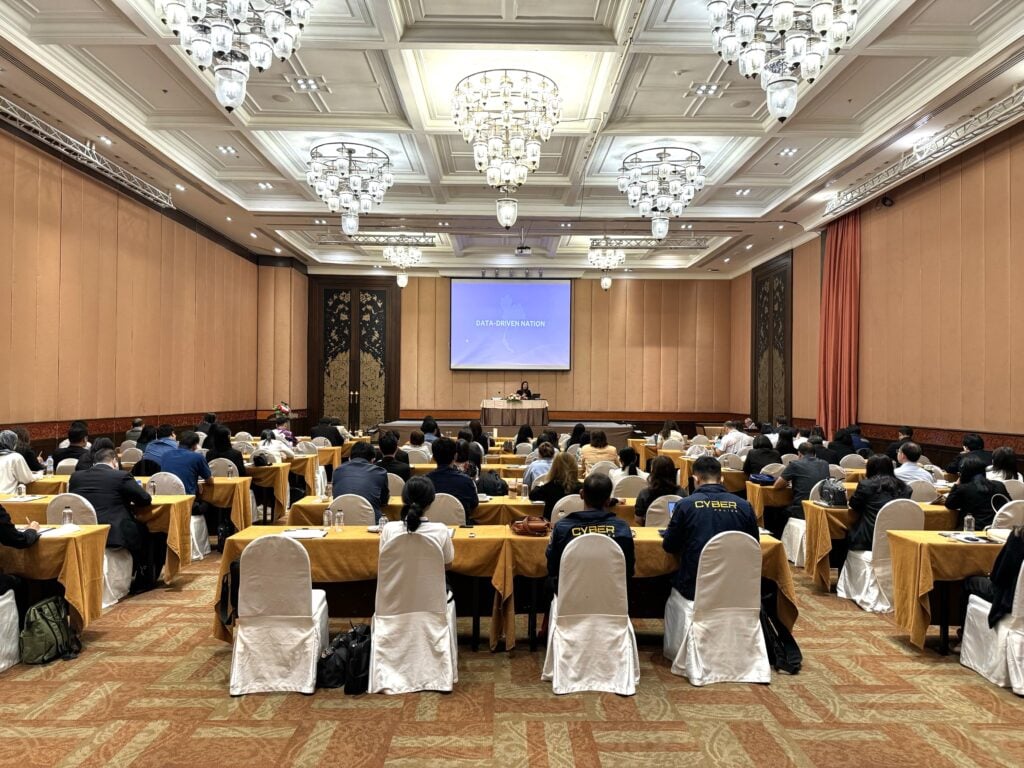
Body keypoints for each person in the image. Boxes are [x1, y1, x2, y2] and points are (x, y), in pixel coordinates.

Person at [661, 455, 759, 601]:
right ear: (722, 479)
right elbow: (753, 546)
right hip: (735, 585)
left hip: (694, 587)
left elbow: (669, 546)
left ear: (696, 479)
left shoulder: (685, 505)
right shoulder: (744, 506)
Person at [70, 447, 159, 591]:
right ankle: (144, 579)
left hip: (84, 529)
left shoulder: (76, 477)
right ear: (114, 461)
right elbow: (144, 499)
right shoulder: (120, 476)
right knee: (149, 531)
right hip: (113, 532)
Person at [546, 473, 634, 593]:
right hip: (612, 597)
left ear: (581, 494)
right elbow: (629, 570)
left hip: (570, 596)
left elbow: (552, 568)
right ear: (608, 500)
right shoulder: (622, 528)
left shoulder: (562, 528)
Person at [961, 526, 1024, 633]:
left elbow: (999, 577)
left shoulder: (1018, 535)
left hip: (1008, 599)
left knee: (970, 582)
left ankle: (962, 635)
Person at [380, 477, 454, 567]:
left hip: (395, 577)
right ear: (430, 502)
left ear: (403, 499)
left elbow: (384, 561)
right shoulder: (441, 530)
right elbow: (447, 565)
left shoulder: (388, 529)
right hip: (430, 576)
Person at [847, 454, 912, 551]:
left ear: (869, 468)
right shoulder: (905, 488)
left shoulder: (866, 485)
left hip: (868, 539)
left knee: (843, 533)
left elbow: (854, 505)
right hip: (897, 539)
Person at [770, 441, 830, 537]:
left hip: (801, 509)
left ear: (799, 454)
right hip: (820, 508)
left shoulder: (795, 464)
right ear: (814, 454)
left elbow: (777, 485)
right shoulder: (825, 464)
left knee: (775, 512)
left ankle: (780, 541)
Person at [945, 454, 1008, 529]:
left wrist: (956, 484)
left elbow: (949, 504)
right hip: (997, 529)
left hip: (971, 530)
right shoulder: (1000, 485)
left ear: (964, 473)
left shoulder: (964, 488)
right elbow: (1008, 505)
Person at [332, 441, 389, 520]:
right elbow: (384, 501)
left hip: (339, 520)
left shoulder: (337, 471)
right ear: (372, 460)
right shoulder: (380, 472)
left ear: (350, 458)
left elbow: (335, 496)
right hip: (371, 523)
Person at [426, 437, 479, 521]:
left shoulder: (424, 482)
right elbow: (474, 504)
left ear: (433, 458)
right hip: (461, 526)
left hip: (431, 526)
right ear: (455, 456)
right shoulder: (466, 481)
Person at [529, 451, 582, 520]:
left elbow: (532, 495)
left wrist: (540, 485)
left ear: (554, 468)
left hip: (552, 524)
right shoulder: (582, 488)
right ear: (575, 467)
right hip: (577, 524)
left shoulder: (549, 487)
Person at [159, 431, 212, 497]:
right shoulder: (198, 457)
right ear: (195, 445)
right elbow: (210, 481)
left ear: (178, 442)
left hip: (166, 496)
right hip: (187, 498)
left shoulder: (165, 455)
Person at [634, 455, 682, 526]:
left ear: (652, 472)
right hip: (676, 532)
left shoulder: (644, 494)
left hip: (650, 532)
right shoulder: (682, 493)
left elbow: (638, 519)